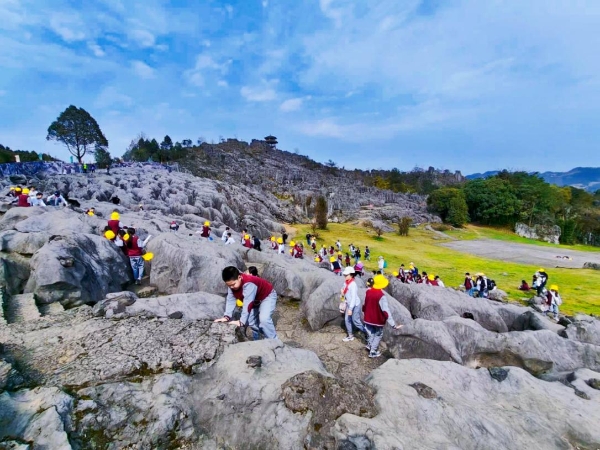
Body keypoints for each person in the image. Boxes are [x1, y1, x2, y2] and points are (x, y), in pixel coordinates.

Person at [214, 266, 278, 339]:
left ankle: (274, 342)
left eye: (233, 284)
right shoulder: (232, 285)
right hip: (255, 300)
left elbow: (248, 303)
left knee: (264, 319)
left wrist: (241, 322)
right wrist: (227, 317)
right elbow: (230, 300)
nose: (231, 287)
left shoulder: (249, 283)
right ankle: (259, 340)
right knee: (252, 322)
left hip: (267, 296)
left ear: (239, 277)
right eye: (229, 285)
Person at [363, 274, 403, 358]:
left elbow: (365, 304)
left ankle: (369, 345)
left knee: (371, 333)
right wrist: (393, 325)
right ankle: (373, 351)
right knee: (378, 335)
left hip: (368, 318)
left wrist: (364, 312)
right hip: (377, 320)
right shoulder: (381, 295)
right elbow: (385, 311)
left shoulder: (368, 291)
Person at [340, 266, 366, 342]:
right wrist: (342, 291)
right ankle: (350, 335)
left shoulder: (353, 284)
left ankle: (367, 333)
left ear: (351, 275)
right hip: (349, 303)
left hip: (355, 304)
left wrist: (350, 309)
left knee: (356, 321)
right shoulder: (346, 282)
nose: (344, 276)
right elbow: (343, 289)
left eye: (346, 275)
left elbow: (354, 298)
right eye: (344, 275)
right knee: (347, 319)